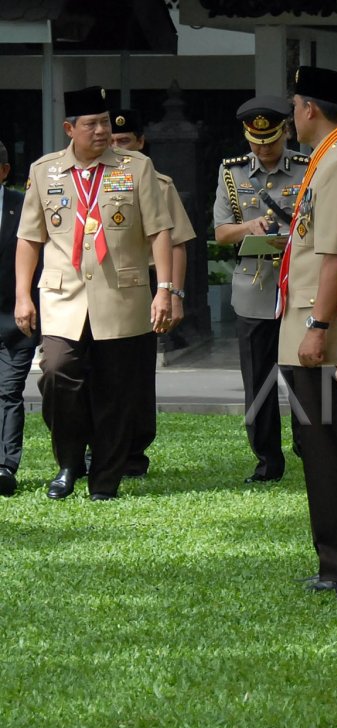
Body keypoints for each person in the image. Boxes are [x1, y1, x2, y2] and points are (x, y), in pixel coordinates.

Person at [14, 86, 173, 501]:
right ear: (70, 128)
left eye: (104, 122)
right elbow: (30, 238)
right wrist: (22, 295)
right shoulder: (44, 171)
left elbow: (160, 231)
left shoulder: (136, 167)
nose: (101, 131)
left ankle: (106, 478)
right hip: (62, 298)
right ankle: (69, 461)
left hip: (121, 296)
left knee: (116, 391)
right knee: (56, 374)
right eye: (91, 124)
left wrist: (166, 290)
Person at [277, 66, 337, 594]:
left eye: (294, 106)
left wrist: (318, 325)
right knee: (319, 448)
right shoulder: (332, 158)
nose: (292, 117)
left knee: (329, 453)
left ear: (309, 108)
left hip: (322, 329)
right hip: (307, 322)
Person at [213, 96, 308, 483]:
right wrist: (248, 228)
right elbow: (221, 233)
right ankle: (267, 460)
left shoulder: (307, 168)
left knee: (303, 376)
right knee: (259, 381)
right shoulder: (231, 173)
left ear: (285, 131)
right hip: (254, 288)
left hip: (299, 286)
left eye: (270, 139)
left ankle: (310, 448)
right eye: (256, 141)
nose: (263, 148)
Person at [109, 107, 196, 478]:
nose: (119, 148)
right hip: (104, 280)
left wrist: (173, 293)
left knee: (137, 372)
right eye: (112, 142)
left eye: (125, 141)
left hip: (146, 280)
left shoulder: (159, 183)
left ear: (142, 142)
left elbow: (176, 242)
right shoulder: (93, 180)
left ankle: (134, 452)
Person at [0, 140, 35, 496]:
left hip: (16, 320)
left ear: (4, 171)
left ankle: (5, 466)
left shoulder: (24, 208)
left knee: (8, 392)